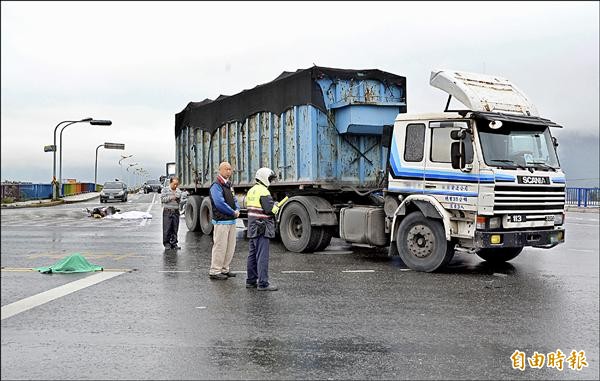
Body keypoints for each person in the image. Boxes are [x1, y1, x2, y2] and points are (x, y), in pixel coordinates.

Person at [245, 167, 285, 291]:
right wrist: (277, 206)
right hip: (262, 226)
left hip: (252, 226)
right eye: (270, 179)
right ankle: (263, 283)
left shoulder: (251, 190)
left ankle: (251, 281)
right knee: (262, 256)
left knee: (252, 255)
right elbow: (269, 210)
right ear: (264, 178)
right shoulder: (263, 191)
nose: (271, 181)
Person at [208, 162, 240, 280]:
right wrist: (233, 212)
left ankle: (224, 269)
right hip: (221, 221)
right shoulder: (216, 185)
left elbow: (234, 198)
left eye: (230, 169)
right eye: (226, 169)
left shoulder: (229, 185)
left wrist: (237, 209)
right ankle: (215, 271)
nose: (228, 171)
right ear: (220, 170)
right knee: (220, 246)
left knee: (230, 247)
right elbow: (219, 203)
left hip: (231, 221)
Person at [161, 176, 182, 250]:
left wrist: (178, 199)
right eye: (174, 184)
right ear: (170, 183)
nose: (175, 186)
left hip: (175, 211)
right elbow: (163, 199)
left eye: (177, 184)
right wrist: (171, 198)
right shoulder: (165, 190)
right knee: (167, 228)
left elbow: (181, 202)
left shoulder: (178, 191)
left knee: (175, 228)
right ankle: (167, 243)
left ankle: (174, 243)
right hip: (168, 211)